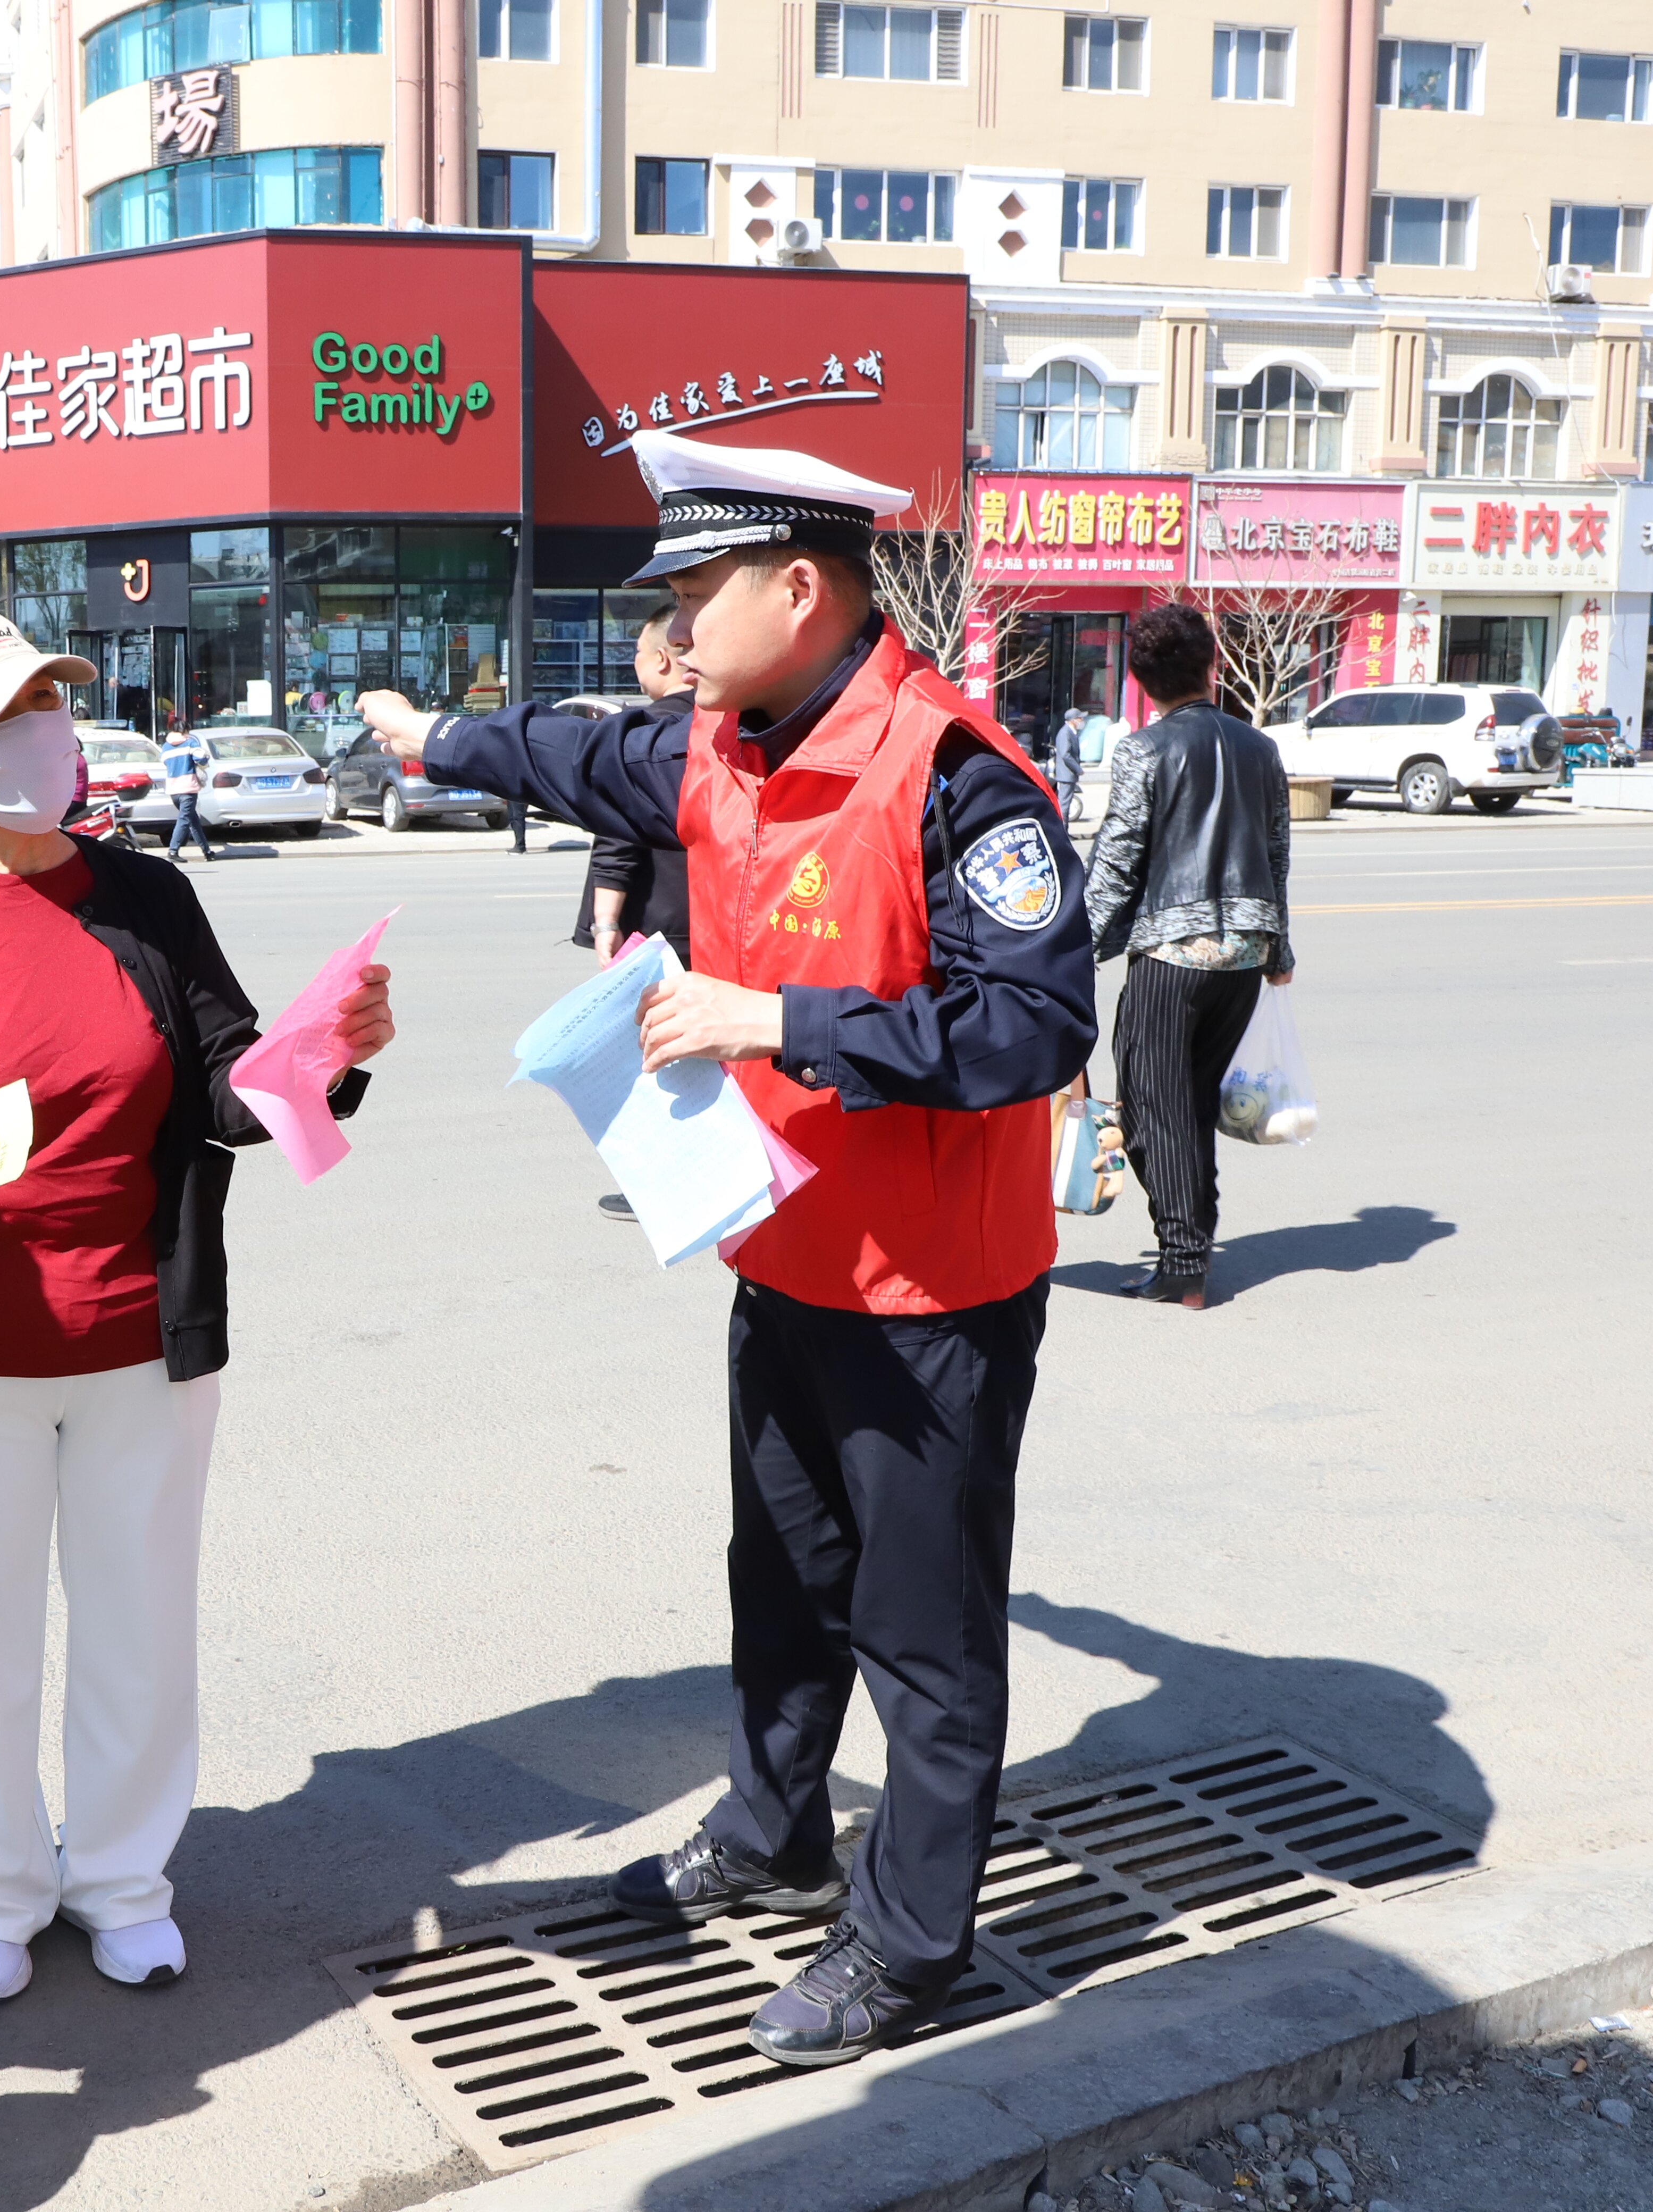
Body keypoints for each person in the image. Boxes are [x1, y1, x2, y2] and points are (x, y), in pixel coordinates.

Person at [356, 425, 1093, 2069]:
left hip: (931, 1300)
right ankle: (772, 1833)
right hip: (783, 1256)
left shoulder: (959, 771)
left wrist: (778, 1015)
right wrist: (438, 739)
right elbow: (571, 754)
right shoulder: (726, 743)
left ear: (800, 585)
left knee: (922, 1632)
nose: (677, 630)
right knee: (783, 1582)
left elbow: (1035, 1024)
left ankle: (907, 1947)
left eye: (697, 591)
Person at [0, 606, 393, 2007]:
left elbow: (236, 1084)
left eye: (48, 706)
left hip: (144, 1345)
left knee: (139, 1632)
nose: (42, 737)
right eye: (2, 720)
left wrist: (332, 1054)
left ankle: (124, 1880)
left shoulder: (148, 901)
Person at [1079, 604, 1294, 1309]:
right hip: (1243, 959)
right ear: (1212, 668)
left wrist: (1072, 948)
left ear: (1141, 682)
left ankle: (1183, 1264)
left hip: (1174, 956)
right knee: (1189, 1107)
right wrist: (1279, 948)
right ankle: (1191, 1245)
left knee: (1148, 1108)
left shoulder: (1145, 751)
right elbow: (1275, 855)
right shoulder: (1261, 749)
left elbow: (1116, 861)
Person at [576, 616, 697, 1227]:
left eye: (638, 654)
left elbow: (617, 839)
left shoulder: (645, 730)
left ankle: (664, 1185)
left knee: (656, 1058)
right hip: (713, 921)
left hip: (654, 926)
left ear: (664, 661)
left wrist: (604, 928)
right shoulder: (730, 724)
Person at [159, 722, 212, 862]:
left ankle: (207, 851)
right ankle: (173, 851)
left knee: (193, 820)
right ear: (185, 730)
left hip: (173, 789)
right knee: (184, 820)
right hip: (188, 788)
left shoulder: (165, 747)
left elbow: (164, 762)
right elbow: (201, 758)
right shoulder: (190, 743)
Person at [1050, 706, 1088, 825]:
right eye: (1080, 719)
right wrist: (1078, 769)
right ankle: (1063, 832)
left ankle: (1065, 831)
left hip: (1068, 775)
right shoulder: (1065, 733)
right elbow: (1066, 755)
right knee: (1064, 805)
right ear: (1074, 720)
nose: (1082, 721)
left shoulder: (1071, 732)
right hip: (1066, 775)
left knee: (1066, 804)